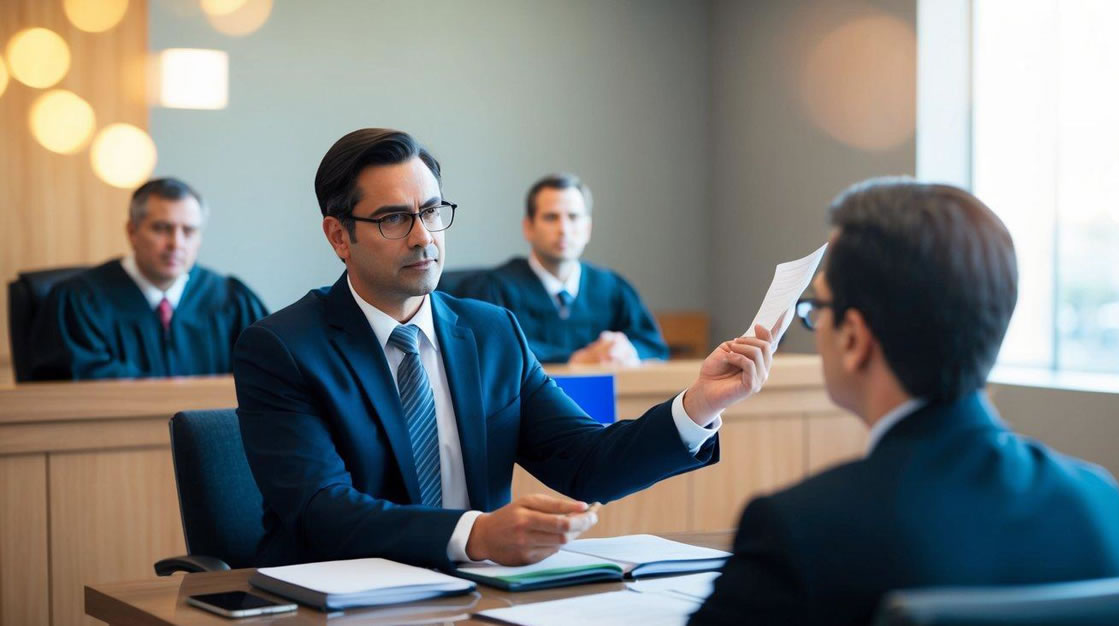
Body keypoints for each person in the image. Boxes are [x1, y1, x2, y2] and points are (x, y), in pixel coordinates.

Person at [233, 129, 780, 569]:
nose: (424, 236)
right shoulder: (282, 348)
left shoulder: (492, 332)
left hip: (479, 596)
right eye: (394, 219)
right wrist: (475, 534)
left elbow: (585, 463)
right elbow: (319, 511)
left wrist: (700, 405)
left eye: (431, 211)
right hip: (340, 601)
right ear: (338, 236)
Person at [689, 179, 1119, 625]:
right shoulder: (1100, 503)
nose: (817, 324)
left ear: (854, 338)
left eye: (817, 308)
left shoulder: (798, 531)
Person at [30, 178, 268, 380]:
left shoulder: (231, 301)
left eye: (189, 231)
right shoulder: (80, 301)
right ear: (132, 232)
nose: (176, 244)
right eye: (162, 228)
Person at [461, 173, 668, 365]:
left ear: (587, 228)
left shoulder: (611, 288)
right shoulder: (495, 288)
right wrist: (575, 359)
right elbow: (491, 350)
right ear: (529, 227)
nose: (564, 229)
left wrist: (625, 350)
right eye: (551, 217)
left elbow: (653, 345)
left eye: (574, 217)